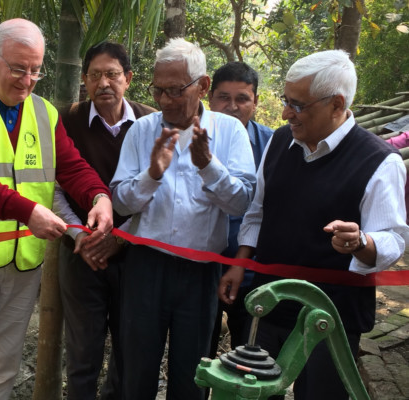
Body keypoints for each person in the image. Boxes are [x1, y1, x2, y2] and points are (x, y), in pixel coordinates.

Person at [0, 18, 113, 400]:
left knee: (2, 370)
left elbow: (73, 166)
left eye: (35, 71)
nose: (26, 80)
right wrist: (28, 211)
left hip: (22, 266)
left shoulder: (45, 113)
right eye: (17, 68)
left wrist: (100, 198)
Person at [219, 50, 409, 400]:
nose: (285, 113)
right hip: (269, 305)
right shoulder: (279, 142)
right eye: (286, 100)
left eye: (297, 104)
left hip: (331, 319)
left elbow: (393, 239)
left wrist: (361, 242)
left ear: (337, 104)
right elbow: (258, 211)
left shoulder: (380, 161)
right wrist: (240, 261)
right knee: (253, 394)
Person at [109, 38, 256, 400]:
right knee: (137, 367)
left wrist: (209, 167)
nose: (164, 100)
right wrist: (151, 176)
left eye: (175, 90)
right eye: (158, 90)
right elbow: (120, 202)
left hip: (201, 271)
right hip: (145, 268)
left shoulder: (229, 132)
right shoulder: (142, 131)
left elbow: (243, 204)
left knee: (192, 374)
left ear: (202, 85)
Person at [53, 41, 155, 399]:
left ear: (128, 78)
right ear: (84, 80)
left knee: (130, 348)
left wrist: (120, 238)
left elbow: (161, 190)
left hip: (138, 252)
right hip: (81, 253)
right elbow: (54, 187)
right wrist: (81, 237)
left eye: (112, 74)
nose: (103, 83)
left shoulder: (150, 121)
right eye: (95, 75)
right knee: (83, 351)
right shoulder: (66, 120)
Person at [207, 61, 274, 355]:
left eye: (242, 98)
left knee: (250, 358)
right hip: (201, 269)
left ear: (256, 102)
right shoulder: (191, 138)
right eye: (224, 97)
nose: (232, 106)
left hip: (253, 275)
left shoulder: (274, 145)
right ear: (209, 99)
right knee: (197, 360)